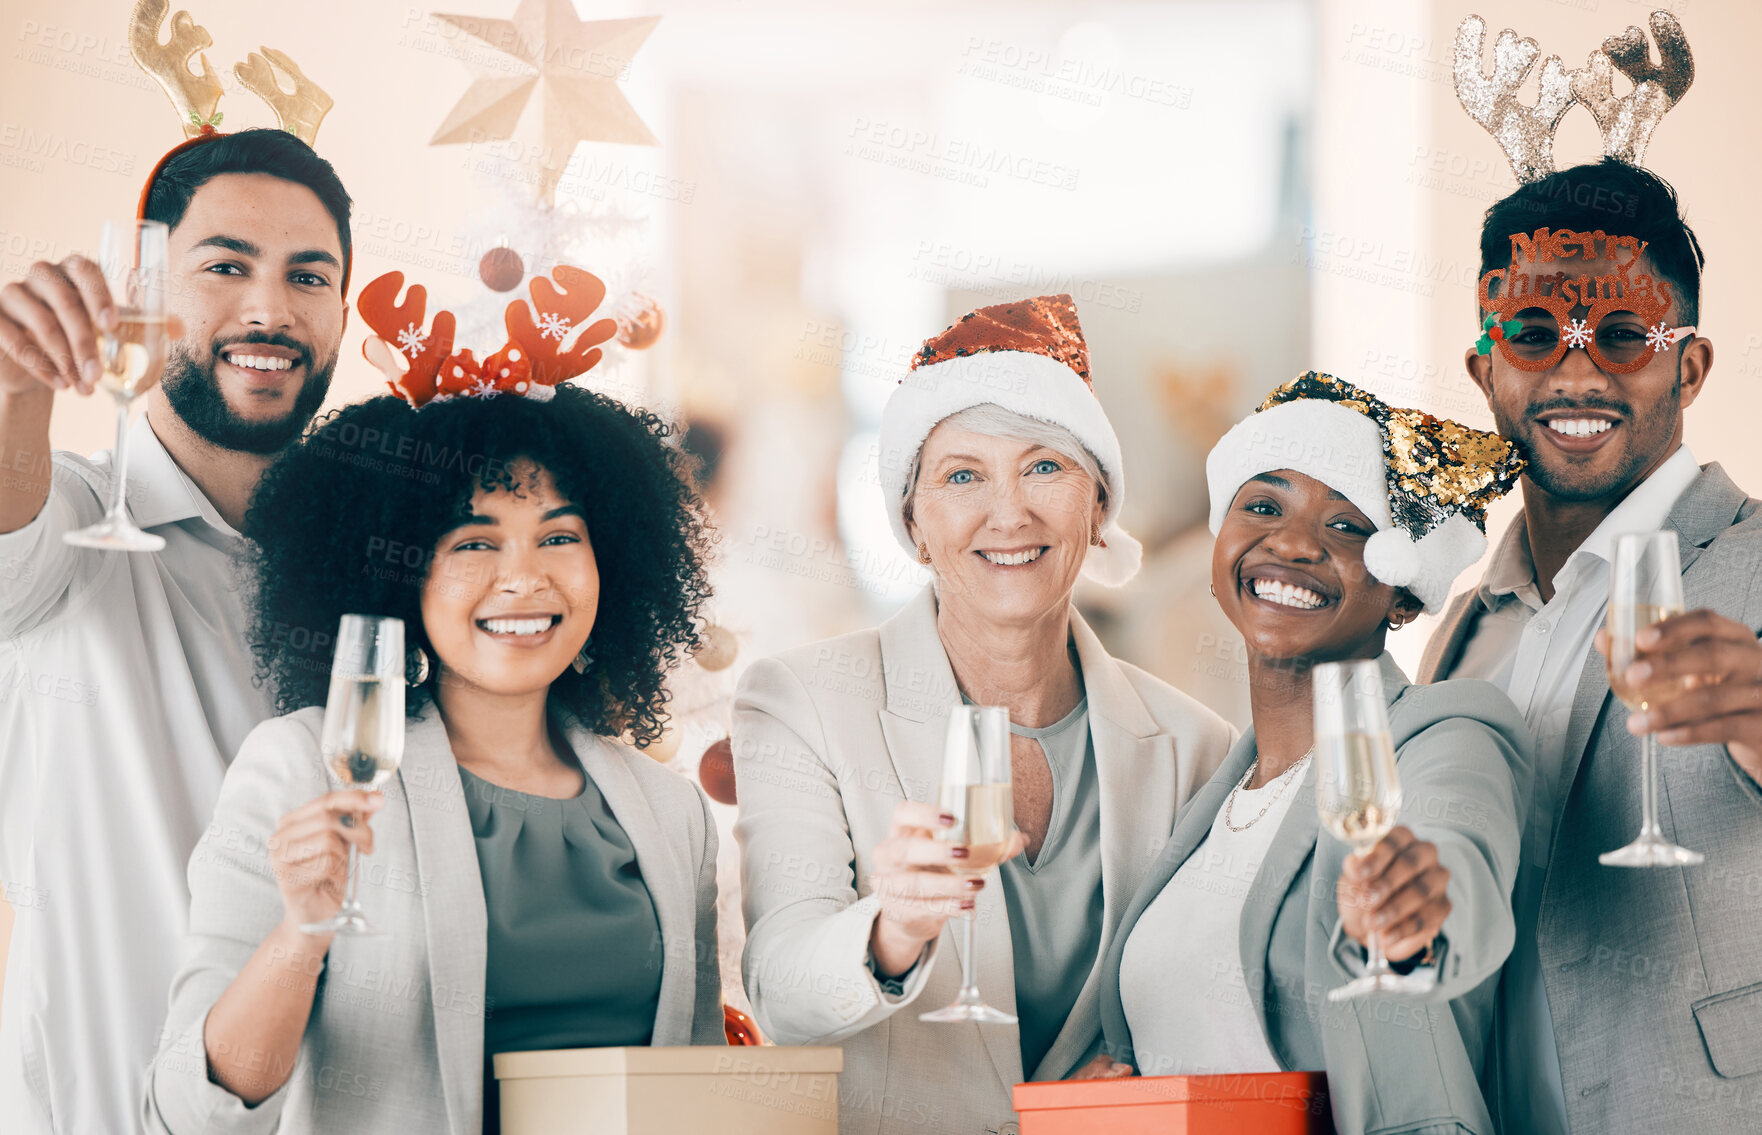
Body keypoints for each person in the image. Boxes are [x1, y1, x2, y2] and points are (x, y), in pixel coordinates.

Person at [143, 376, 725, 1133]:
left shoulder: (672, 811)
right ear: (400, 574)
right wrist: (301, 935)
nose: (523, 577)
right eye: (474, 542)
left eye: (559, 536)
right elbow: (187, 1115)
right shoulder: (302, 767)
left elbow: (702, 1085)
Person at [732, 295, 1235, 1135]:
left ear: (1097, 505)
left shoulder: (1196, 745)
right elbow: (781, 991)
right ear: (913, 522)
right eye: (962, 474)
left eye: (1045, 467)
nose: (1010, 513)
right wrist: (893, 928)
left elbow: (1206, 995)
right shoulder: (802, 701)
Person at [0, 127, 351, 1134]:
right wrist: (12, 383)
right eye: (225, 266)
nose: (269, 310)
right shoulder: (68, 531)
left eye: (307, 276)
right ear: (148, 294)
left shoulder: (382, 562)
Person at [1085, 373, 1535, 1135]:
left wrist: (1417, 906)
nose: (1293, 543)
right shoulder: (1210, 792)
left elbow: (1455, 854)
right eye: (1262, 506)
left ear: (1402, 594)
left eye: (1350, 527)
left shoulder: (1444, 731)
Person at [1419, 157, 1762, 1134]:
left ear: (1686, 366)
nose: (1575, 370)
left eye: (1620, 334)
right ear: (1486, 366)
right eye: (1532, 333)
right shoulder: (1460, 629)